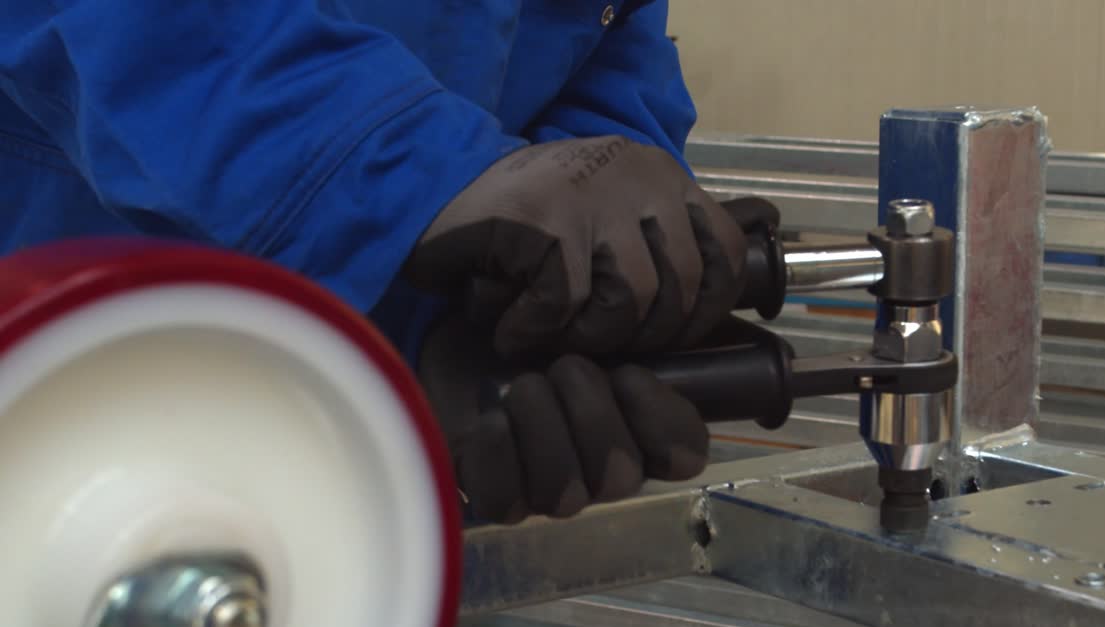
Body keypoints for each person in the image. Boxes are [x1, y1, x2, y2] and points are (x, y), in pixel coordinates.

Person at [0, 1, 779, 524]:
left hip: (341, 505)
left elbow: (593, 40)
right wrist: (420, 176)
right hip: (59, 419)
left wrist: (519, 316)